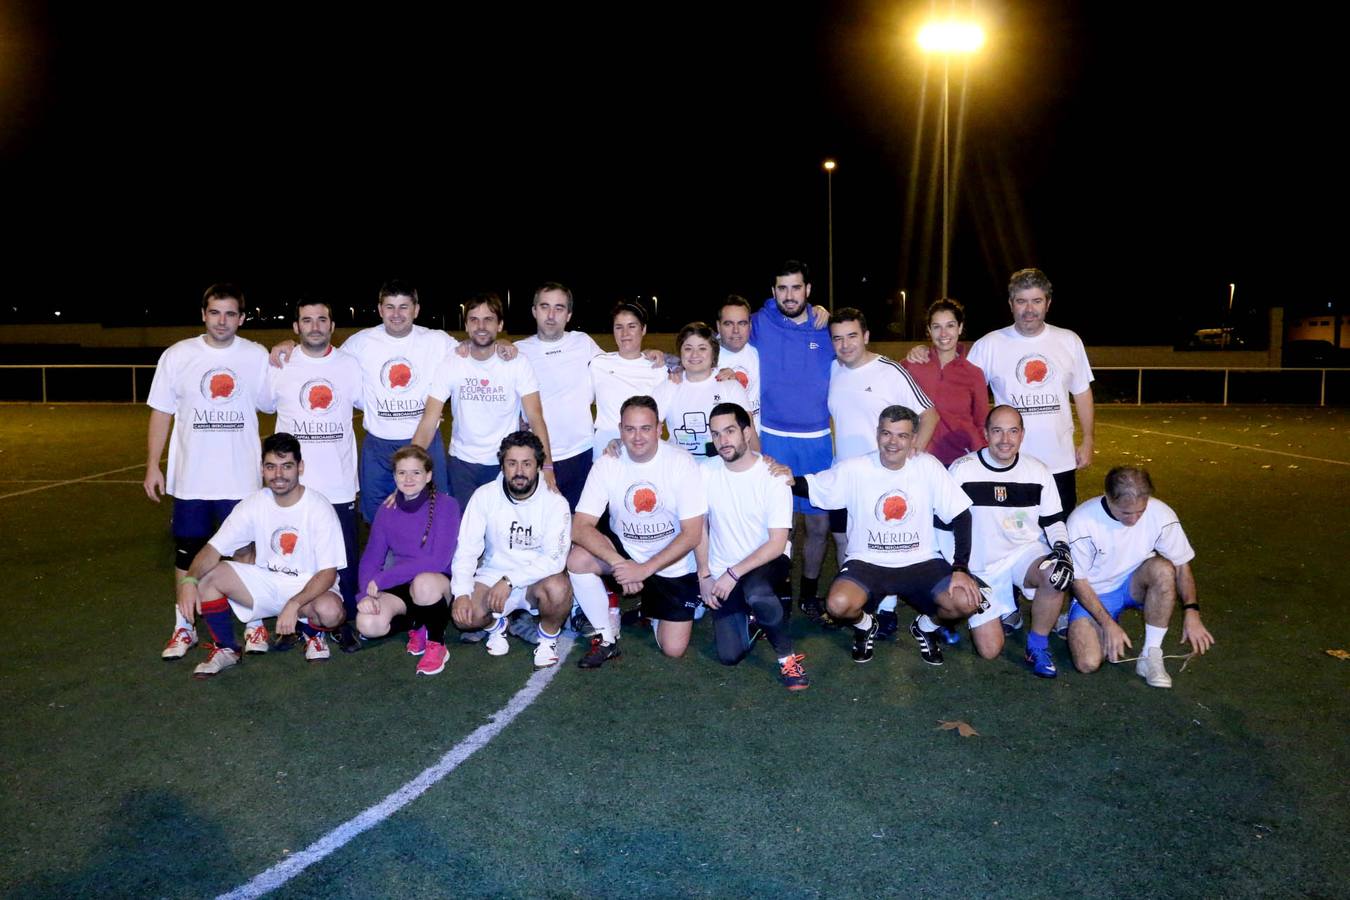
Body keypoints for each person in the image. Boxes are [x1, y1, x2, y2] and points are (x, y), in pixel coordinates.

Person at [267, 280, 516, 524]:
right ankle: (385, 564)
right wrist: (289, 344)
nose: (396, 314)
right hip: (378, 447)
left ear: (416, 310)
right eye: (390, 307)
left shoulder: (437, 341)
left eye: (404, 307)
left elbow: (475, 348)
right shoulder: (360, 343)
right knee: (380, 515)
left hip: (426, 441)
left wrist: (502, 343)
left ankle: (429, 562)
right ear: (380, 309)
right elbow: (324, 362)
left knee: (434, 511)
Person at [790, 405, 982, 665]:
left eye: (902, 435)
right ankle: (865, 625)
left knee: (965, 601)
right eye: (887, 433)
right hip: (868, 562)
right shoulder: (856, 468)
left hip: (921, 561)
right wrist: (781, 477)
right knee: (837, 605)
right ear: (877, 434)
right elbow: (812, 486)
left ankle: (926, 627)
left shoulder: (927, 466)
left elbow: (961, 515)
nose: (893, 442)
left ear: (913, 438)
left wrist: (960, 567)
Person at [146, 283, 271, 661]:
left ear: (242, 319)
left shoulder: (256, 355)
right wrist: (153, 463)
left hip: (241, 479)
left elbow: (272, 399)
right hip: (191, 481)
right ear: (203, 314)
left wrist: (282, 350)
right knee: (187, 555)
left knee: (246, 552)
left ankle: (254, 624)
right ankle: (183, 628)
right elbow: (161, 412)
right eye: (215, 312)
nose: (222, 321)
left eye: (230, 313)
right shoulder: (178, 355)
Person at [906, 268, 1093, 512]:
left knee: (1059, 528)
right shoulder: (989, 345)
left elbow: (1081, 391)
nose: (1029, 309)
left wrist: (1088, 439)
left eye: (1036, 301)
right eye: (1021, 301)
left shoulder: (1069, 340)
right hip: (1006, 461)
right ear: (1011, 304)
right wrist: (924, 351)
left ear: (1048, 303)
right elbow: (956, 376)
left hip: (1059, 461)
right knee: (1012, 531)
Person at [174, 433, 347, 678]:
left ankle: (311, 632)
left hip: (308, 588)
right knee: (209, 575)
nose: (278, 475)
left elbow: (328, 573)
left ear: (300, 467)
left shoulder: (319, 507)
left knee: (331, 611)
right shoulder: (253, 504)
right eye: (271, 467)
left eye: (287, 466)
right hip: (266, 583)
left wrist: (294, 603)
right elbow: (212, 550)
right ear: (262, 469)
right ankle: (226, 649)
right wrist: (190, 580)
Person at [568, 396, 707, 667]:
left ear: (659, 429)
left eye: (645, 428)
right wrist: (621, 564)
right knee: (577, 559)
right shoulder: (608, 463)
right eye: (630, 429)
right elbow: (579, 526)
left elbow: (692, 534)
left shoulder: (681, 463)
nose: (637, 436)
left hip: (672, 563)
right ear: (620, 429)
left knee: (673, 649)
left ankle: (651, 611)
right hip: (627, 554)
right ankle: (606, 637)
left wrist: (644, 570)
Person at [262, 298, 364, 652]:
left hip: (338, 486)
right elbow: (261, 403)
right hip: (293, 489)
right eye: (307, 320)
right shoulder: (280, 365)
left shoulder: (350, 366)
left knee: (343, 561)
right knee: (291, 560)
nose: (315, 326)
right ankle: (298, 624)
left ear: (333, 326)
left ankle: (341, 622)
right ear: (296, 327)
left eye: (322, 319)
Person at [941, 405, 1073, 676]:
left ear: (1022, 435)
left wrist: (1062, 549)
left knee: (1056, 574)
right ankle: (944, 615)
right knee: (990, 650)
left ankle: (1037, 645)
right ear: (986, 433)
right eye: (998, 431)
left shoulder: (1037, 471)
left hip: (1022, 554)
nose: (1005, 439)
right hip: (979, 566)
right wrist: (958, 569)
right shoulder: (962, 471)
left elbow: (1053, 521)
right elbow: (942, 527)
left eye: (1013, 431)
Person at [1064, 467, 1215, 688]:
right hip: (1095, 592)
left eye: (1140, 511)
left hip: (1134, 583)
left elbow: (1182, 566)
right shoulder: (1081, 521)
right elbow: (1078, 581)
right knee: (1088, 662)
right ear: (1107, 497)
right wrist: (1107, 624)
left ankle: (1150, 655)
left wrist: (1192, 610)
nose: (1134, 519)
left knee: (1163, 569)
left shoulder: (1161, 514)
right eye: (1126, 513)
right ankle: (1081, 621)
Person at [697, 403, 807, 690]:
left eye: (730, 431)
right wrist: (705, 575)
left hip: (767, 560)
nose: (723, 441)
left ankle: (787, 658)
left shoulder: (774, 476)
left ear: (747, 433)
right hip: (723, 570)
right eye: (716, 434)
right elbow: (700, 528)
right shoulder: (704, 472)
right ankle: (755, 620)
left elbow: (776, 543)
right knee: (729, 655)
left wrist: (733, 574)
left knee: (756, 591)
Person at [415, 292, 555, 512]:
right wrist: (411, 463)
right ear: (467, 326)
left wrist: (547, 467)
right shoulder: (452, 363)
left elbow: (536, 418)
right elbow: (429, 419)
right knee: (466, 535)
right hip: (462, 465)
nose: (481, 326)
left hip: (505, 464)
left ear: (499, 325)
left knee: (503, 535)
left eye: (488, 319)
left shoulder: (517, 363)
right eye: (474, 320)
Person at [751, 261, 837, 620]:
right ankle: (780, 588)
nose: (789, 295)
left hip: (816, 440)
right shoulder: (760, 321)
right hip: (773, 437)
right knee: (777, 522)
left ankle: (810, 591)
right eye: (782, 288)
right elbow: (720, 341)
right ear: (773, 292)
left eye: (796, 288)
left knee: (817, 524)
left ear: (808, 290)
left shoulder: (827, 328)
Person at [450, 432, 573, 669]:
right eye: (512, 463)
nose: (519, 471)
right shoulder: (484, 496)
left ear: (538, 466)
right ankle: (496, 626)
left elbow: (555, 560)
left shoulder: (555, 502)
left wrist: (510, 581)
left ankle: (547, 639)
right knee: (464, 617)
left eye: (527, 464)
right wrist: (462, 593)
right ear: (502, 466)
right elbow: (466, 549)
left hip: (536, 580)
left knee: (559, 589)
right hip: (493, 575)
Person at [354, 445, 461, 676]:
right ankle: (417, 623)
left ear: (429, 475)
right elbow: (372, 556)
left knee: (423, 584)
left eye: (416, 472)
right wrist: (364, 594)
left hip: (437, 583)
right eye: (402, 473)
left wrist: (383, 578)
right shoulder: (387, 510)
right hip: (402, 584)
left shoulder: (447, 506)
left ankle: (436, 642)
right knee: (368, 624)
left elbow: (438, 560)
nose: (408, 479)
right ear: (394, 476)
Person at [514, 282, 605, 509]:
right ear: (534, 311)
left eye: (559, 308)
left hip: (582, 453)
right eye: (545, 307)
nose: (551, 315)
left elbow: (620, 368)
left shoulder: (583, 343)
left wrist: (654, 357)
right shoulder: (517, 350)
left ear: (569, 315)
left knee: (579, 528)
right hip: (535, 457)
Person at [828, 307, 938, 462]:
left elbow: (930, 415)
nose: (845, 345)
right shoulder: (833, 369)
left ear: (865, 337)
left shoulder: (890, 371)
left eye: (852, 336)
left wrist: (911, 457)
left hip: (880, 473)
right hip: (844, 472)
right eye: (838, 338)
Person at [900, 298, 989, 467]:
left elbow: (981, 424)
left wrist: (981, 463)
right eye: (936, 327)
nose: (943, 334)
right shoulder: (911, 365)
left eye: (950, 325)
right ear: (929, 330)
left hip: (960, 462)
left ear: (960, 327)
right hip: (919, 461)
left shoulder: (974, 374)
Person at [589, 301, 672, 458]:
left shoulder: (658, 368)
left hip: (643, 449)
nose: (625, 333)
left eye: (632, 326)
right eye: (619, 327)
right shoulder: (598, 364)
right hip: (605, 451)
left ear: (643, 329)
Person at [663, 322, 755, 460]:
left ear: (713, 353)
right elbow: (647, 428)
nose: (695, 354)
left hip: (722, 470)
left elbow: (750, 435)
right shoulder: (669, 386)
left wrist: (758, 467)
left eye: (702, 348)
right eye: (688, 348)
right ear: (680, 352)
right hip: (680, 472)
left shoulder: (730, 386)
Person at [714, 296, 761, 423]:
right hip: (722, 440)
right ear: (718, 326)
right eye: (728, 324)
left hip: (757, 439)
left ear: (750, 326)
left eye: (742, 323)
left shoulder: (758, 352)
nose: (736, 330)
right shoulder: (706, 358)